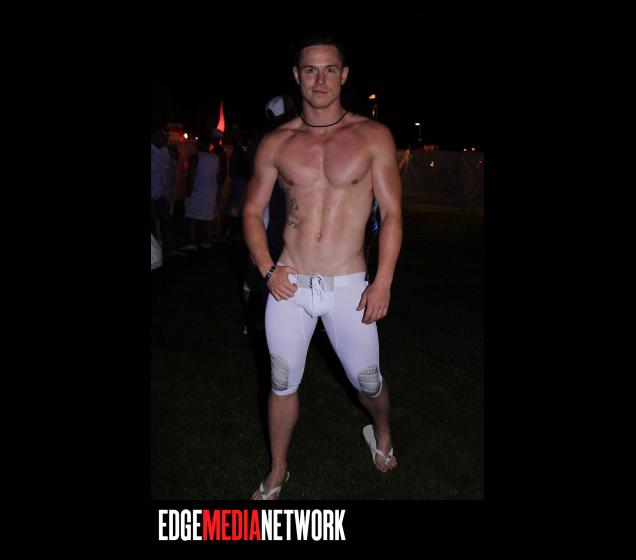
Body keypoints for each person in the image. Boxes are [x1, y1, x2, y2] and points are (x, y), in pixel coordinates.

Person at [243, 32, 403, 500]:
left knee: (368, 382)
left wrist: (383, 281)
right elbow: (251, 211)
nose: (320, 80)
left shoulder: (373, 136)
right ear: (296, 76)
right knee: (281, 382)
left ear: (344, 75)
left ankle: (381, 431)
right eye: (310, 70)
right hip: (289, 284)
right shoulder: (277, 142)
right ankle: (278, 470)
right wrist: (268, 270)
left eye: (329, 69)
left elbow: (393, 213)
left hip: (349, 285)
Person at [183, 135, 223, 249]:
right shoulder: (215, 158)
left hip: (197, 191)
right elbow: (219, 176)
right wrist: (217, 190)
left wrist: (188, 191)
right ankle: (207, 241)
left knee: (191, 217)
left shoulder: (195, 157)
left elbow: (191, 176)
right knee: (208, 218)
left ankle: (192, 242)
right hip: (211, 191)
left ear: (199, 144)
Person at [150, 125, 174, 257]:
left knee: (165, 220)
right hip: (154, 195)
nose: (165, 139)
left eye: (165, 136)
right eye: (162, 136)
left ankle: (165, 248)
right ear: (154, 137)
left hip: (159, 194)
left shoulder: (162, 151)